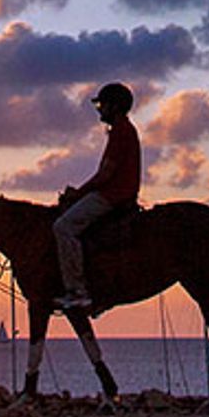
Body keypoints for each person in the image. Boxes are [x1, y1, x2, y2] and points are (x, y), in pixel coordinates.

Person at [53, 82, 141, 311]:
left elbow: (105, 174)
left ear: (115, 107)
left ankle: (77, 290)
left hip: (113, 195)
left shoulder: (121, 131)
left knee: (63, 227)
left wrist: (78, 194)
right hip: (116, 193)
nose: (100, 110)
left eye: (103, 105)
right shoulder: (123, 130)